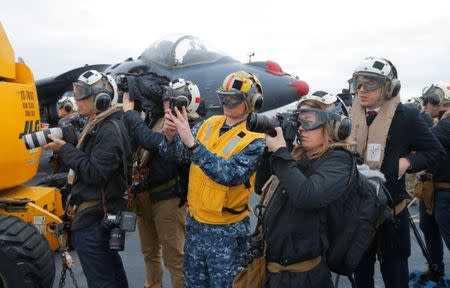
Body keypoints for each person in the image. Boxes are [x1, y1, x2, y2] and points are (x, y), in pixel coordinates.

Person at [161, 71, 266, 288]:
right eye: (223, 97)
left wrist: (192, 144)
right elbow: (178, 156)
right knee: (193, 283)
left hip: (226, 231)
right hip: (196, 224)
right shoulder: (209, 124)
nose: (226, 103)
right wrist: (170, 137)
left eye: (233, 98)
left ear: (251, 102)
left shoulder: (256, 139)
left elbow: (230, 174)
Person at [349, 57, 445, 288]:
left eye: (370, 83)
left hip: (392, 214)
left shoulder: (408, 116)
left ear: (390, 86)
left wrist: (408, 162)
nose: (361, 89)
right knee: (361, 275)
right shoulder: (350, 117)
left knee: (395, 275)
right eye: (358, 83)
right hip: (357, 213)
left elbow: (435, 151)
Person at [255, 91, 353, 287]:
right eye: (299, 121)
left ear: (333, 126)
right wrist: (271, 152)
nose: (301, 128)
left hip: (304, 277)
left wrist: (282, 152)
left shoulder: (339, 160)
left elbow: (308, 196)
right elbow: (260, 187)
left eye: (308, 121)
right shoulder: (298, 155)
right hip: (273, 271)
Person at [44, 69, 132, 288]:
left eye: (82, 93)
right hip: (98, 217)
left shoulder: (109, 129)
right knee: (112, 274)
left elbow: (94, 173)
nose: (76, 99)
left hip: (93, 221)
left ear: (100, 98)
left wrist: (64, 149)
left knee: (102, 280)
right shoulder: (102, 125)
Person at [121, 79, 201, 288]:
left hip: (168, 199)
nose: (166, 105)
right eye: (165, 100)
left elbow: (150, 141)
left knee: (175, 259)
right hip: (145, 196)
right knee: (150, 253)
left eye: (172, 101)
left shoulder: (189, 127)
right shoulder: (158, 118)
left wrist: (129, 113)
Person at [418, 83, 450, 281]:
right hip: (432, 188)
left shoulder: (447, 124)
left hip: (445, 191)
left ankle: (436, 269)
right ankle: (436, 268)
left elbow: (425, 140)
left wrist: (420, 116)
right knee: (428, 229)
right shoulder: (441, 122)